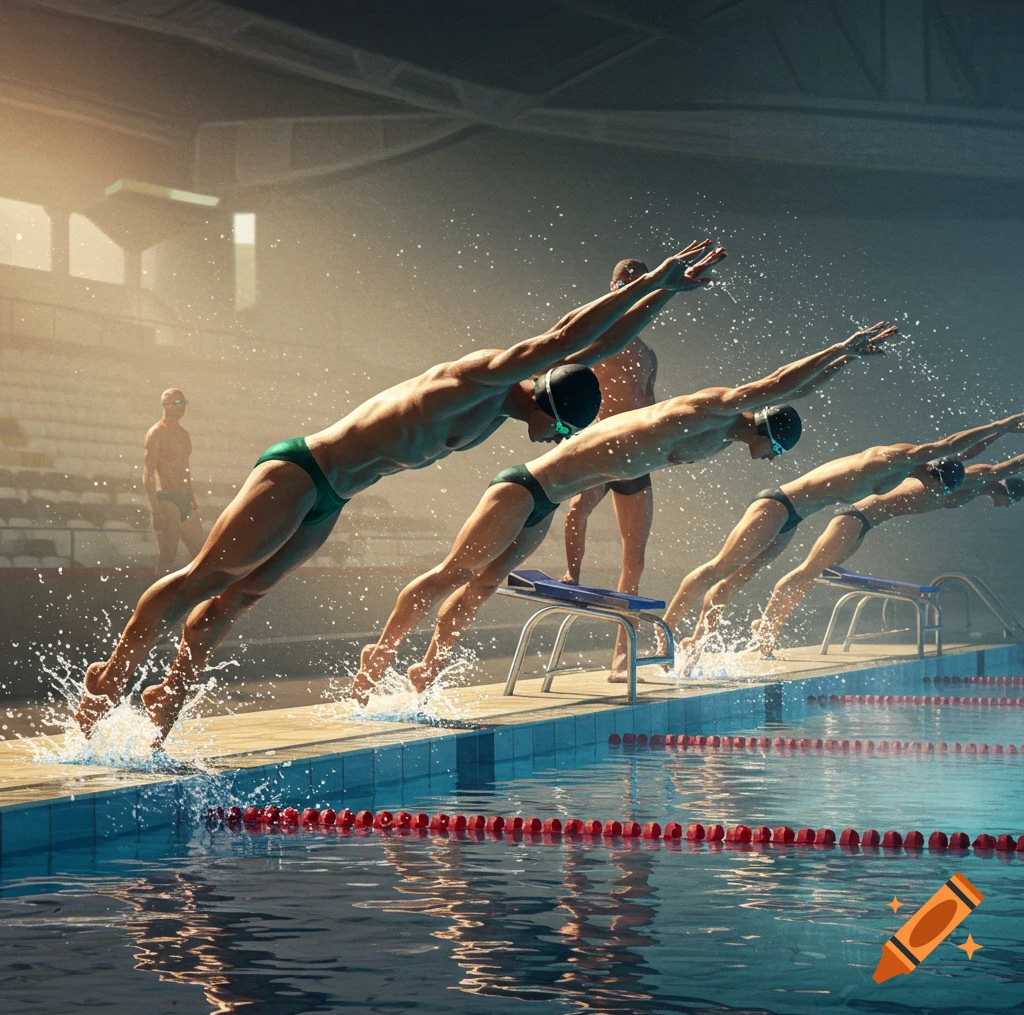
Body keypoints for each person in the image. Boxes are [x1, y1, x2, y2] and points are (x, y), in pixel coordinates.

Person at [75, 239, 725, 743]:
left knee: (238, 597)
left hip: (334, 497)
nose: (549, 441)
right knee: (203, 578)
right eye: (554, 430)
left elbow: (599, 342)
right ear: (545, 401)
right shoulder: (484, 379)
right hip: (302, 472)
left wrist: (661, 300)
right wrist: (655, 278)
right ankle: (109, 677)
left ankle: (167, 696)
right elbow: (568, 337)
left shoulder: (508, 404)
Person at [354, 319, 895, 701]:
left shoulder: (724, 437)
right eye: (774, 449)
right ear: (766, 431)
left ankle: (431, 667)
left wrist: (840, 365)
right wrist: (841, 351)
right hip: (526, 486)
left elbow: (790, 393)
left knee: (484, 584)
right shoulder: (706, 410)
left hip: (551, 499)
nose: (768, 460)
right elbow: (778, 384)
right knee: (455, 572)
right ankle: (378, 655)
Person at [664, 410, 1024, 673]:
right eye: (937, 487)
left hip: (793, 517)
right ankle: (666, 631)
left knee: (737, 578)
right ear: (932, 472)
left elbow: (960, 452)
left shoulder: (916, 469)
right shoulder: (894, 459)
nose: (936, 495)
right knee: (721, 568)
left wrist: (1003, 436)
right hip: (779, 505)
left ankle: (697, 642)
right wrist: (1005, 425)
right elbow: (950, 445)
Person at [752, 448, 1024, 658]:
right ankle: (767, 625)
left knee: (814, 575)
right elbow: (1007, 465)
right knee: (808, 571)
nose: (1006, 506)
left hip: (865, 523)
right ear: (1006, 489)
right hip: (855, 517)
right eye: (1011, 499)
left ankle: (770, 624)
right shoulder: (973, 477)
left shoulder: (965, 486)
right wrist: (1007, 428)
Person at [560, 258, 659, 682]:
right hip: (602, 444)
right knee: (576, 510)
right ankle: (572, 576)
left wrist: (666, 447)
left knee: (634, 557)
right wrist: (569, 426)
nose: (630, 293)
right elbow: (563, 376)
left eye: (639, 287)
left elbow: (652, 404)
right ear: (613, 286)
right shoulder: (595, 339)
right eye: (625, 286)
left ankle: (622, 656)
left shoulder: (648, 353)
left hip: (637, 454)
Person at [144, 388, 206, 578]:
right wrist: (155, 509)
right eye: (177, 403)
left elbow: (186, 469)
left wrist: (192, 499)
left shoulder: (184, 434)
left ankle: (194, 598)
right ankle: (155, 606)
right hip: (167, 498)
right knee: (167, 557)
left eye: (184, 403)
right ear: (166, 405)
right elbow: (148, 474)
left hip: (184, 499)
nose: (182, 408)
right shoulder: (156, 433)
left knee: (202, 555)